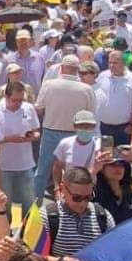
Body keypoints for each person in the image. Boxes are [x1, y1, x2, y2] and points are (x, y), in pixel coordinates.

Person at [40, 166, 116, 261]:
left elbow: (115, 256)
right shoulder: (47, 216)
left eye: (88, 197)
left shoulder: (102, 216)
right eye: (77, 197)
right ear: (62, 188)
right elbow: (28, 258)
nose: (83, 203)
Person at [34, 55, 96, 200]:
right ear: (77, 70)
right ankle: (73, 199)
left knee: (42, 170)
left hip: (51, 131)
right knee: (76, 171)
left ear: (61, 67)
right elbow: (91, 114)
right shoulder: (86, 89)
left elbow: (39, 108)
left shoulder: (49, 84)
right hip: (75, 134)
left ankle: (35, 204)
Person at [0, 81, 41, 212]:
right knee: (4, 205)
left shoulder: (28, 108)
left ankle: (27, 232)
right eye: (14, 100)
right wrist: (11, 139)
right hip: (3, 167)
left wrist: (32, 136)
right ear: (6, 97)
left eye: (20, 100)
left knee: (29, 204)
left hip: (26, 165)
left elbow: (37, 131)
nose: (18, 103)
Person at [96, 50, 132, 146]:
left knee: (122, 158)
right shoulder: (102, 76)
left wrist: (131, 126)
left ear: (124, 63)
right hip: (104, 127)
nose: (112, 65)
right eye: (110, 62)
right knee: (106, 157)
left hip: (123, 128)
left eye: (115, 62)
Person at [52, 110, 103, 191]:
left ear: (94, 127)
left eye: (89, 126)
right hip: (69, 189)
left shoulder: (99, 145)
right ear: (74, 126)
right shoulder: (65, 143)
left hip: (92, 189)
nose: (85, 129)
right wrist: (57, 187)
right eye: (82, 126)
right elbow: (57, 166)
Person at [93, 148, 132, 224]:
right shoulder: (95, 195)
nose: (118, 168)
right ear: (102, 169)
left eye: (121, 165)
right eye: (112, 164)